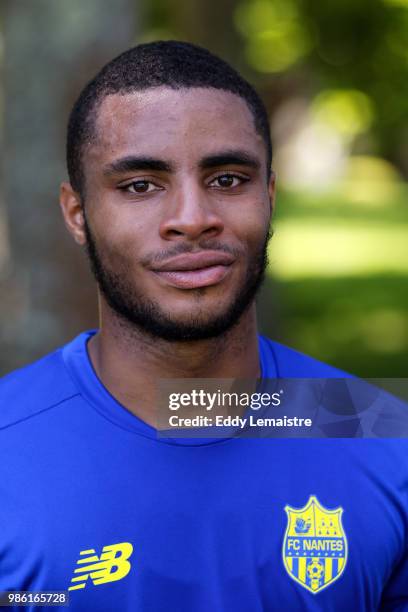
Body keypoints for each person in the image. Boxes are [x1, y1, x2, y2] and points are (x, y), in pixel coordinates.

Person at [0, 41, 407, 612]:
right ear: (78, 214)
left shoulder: (384, 439)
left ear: (270, 195)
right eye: (140, 185)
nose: (192, 219)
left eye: (228, 179)